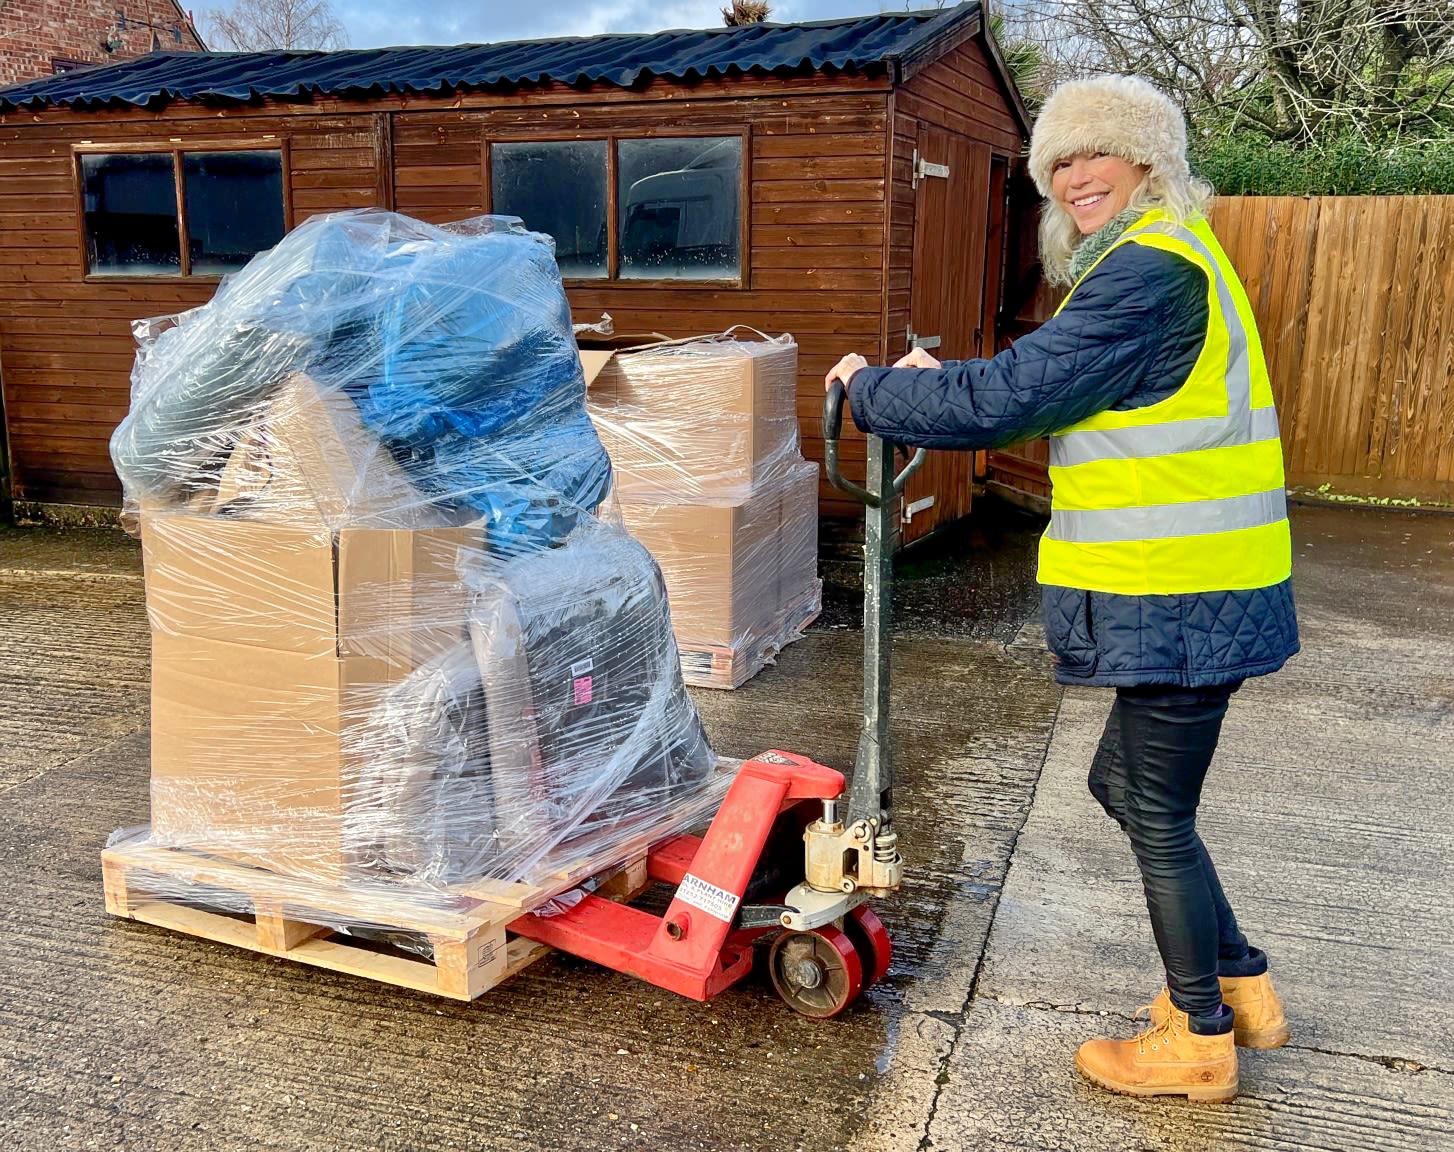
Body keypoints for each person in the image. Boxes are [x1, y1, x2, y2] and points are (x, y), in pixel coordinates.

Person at [824, 75, 1298, 1103]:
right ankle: (1240, 987)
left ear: (1148, 165)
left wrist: (870, 392)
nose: (1075, 176)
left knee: (1150, 807)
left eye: (1096, 154)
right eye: (1058, 163)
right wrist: (927, 384)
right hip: (1197, 587)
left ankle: (1197, 1037)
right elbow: (1053, 379)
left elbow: (1013, 396)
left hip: (1181, 591)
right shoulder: (1158, 265)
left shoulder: (1148, 272)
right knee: (1124, 790)